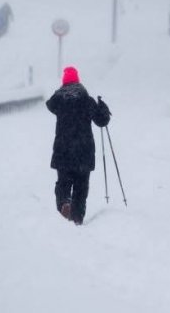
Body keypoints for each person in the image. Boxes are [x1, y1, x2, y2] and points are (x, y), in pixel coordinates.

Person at [46, 66, 111, 225]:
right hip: (83, 150)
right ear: (78, 80)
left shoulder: (59, 101)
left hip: (63, 151)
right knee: (81, 187)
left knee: (63, 183)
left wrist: (62, 90)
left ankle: (64, 204)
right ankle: (77, 218)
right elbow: (102, 121)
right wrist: (103, 107)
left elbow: (50, 104)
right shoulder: (86, 100)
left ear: (64, 82)